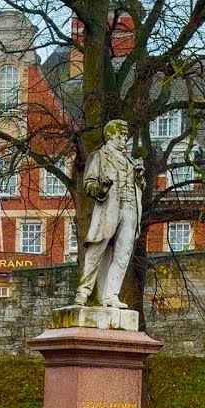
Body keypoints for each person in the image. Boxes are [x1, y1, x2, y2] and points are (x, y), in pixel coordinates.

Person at [74, 119, 145, 308]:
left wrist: (139, 178)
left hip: (130, 210)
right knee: (96, 251)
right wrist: (102, 189)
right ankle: (83, 292)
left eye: (125, 136)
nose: (124, 139)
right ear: (111, 135)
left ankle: (111, 295)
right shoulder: (99, 156)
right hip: (108, 210)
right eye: (121, 135)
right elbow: (89, 184)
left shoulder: (130, 161)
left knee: (123, 254)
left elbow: (139, 187)